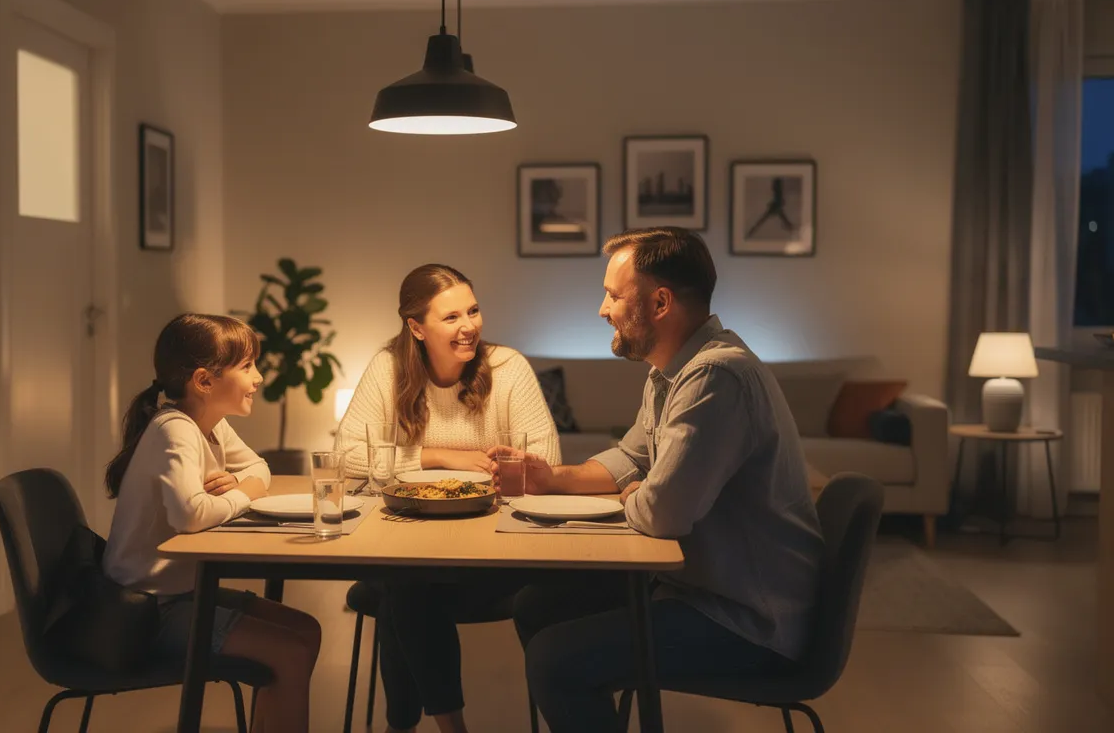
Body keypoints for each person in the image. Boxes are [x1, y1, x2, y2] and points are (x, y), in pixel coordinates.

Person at [500, 228, 824, 733]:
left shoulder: (716, 377)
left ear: (660, 302)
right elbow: (630, 459)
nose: (602, 310)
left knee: (552, 660)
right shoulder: (670, 373)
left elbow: (663, 512)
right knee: (536, 606)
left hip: (748, 619)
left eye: (612, 295)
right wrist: (549, 478)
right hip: (701, 592)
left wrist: (639, 494)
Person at [335, 263, 561, 733]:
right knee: (408, 581)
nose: (469, 326)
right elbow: (347, 456)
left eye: (473, 311)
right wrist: (440, 457)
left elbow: (544, 458)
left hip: (490, 557)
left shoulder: (507, 367)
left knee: (405, 590)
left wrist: (509, 464)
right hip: (405, 543)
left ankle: (404, 727)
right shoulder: (388, 368)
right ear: (416, 327)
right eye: (452, 317)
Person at [103, 313, 320, 733]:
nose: (258, 378)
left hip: (182, 591)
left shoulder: (210, 423)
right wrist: (246, 494)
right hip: (148, 607)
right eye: (247, 366)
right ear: (204, 381)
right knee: (290, 651)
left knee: (306, 631)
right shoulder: (176, 429)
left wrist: (239, 480)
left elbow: (260, 467)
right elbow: (190, 514)